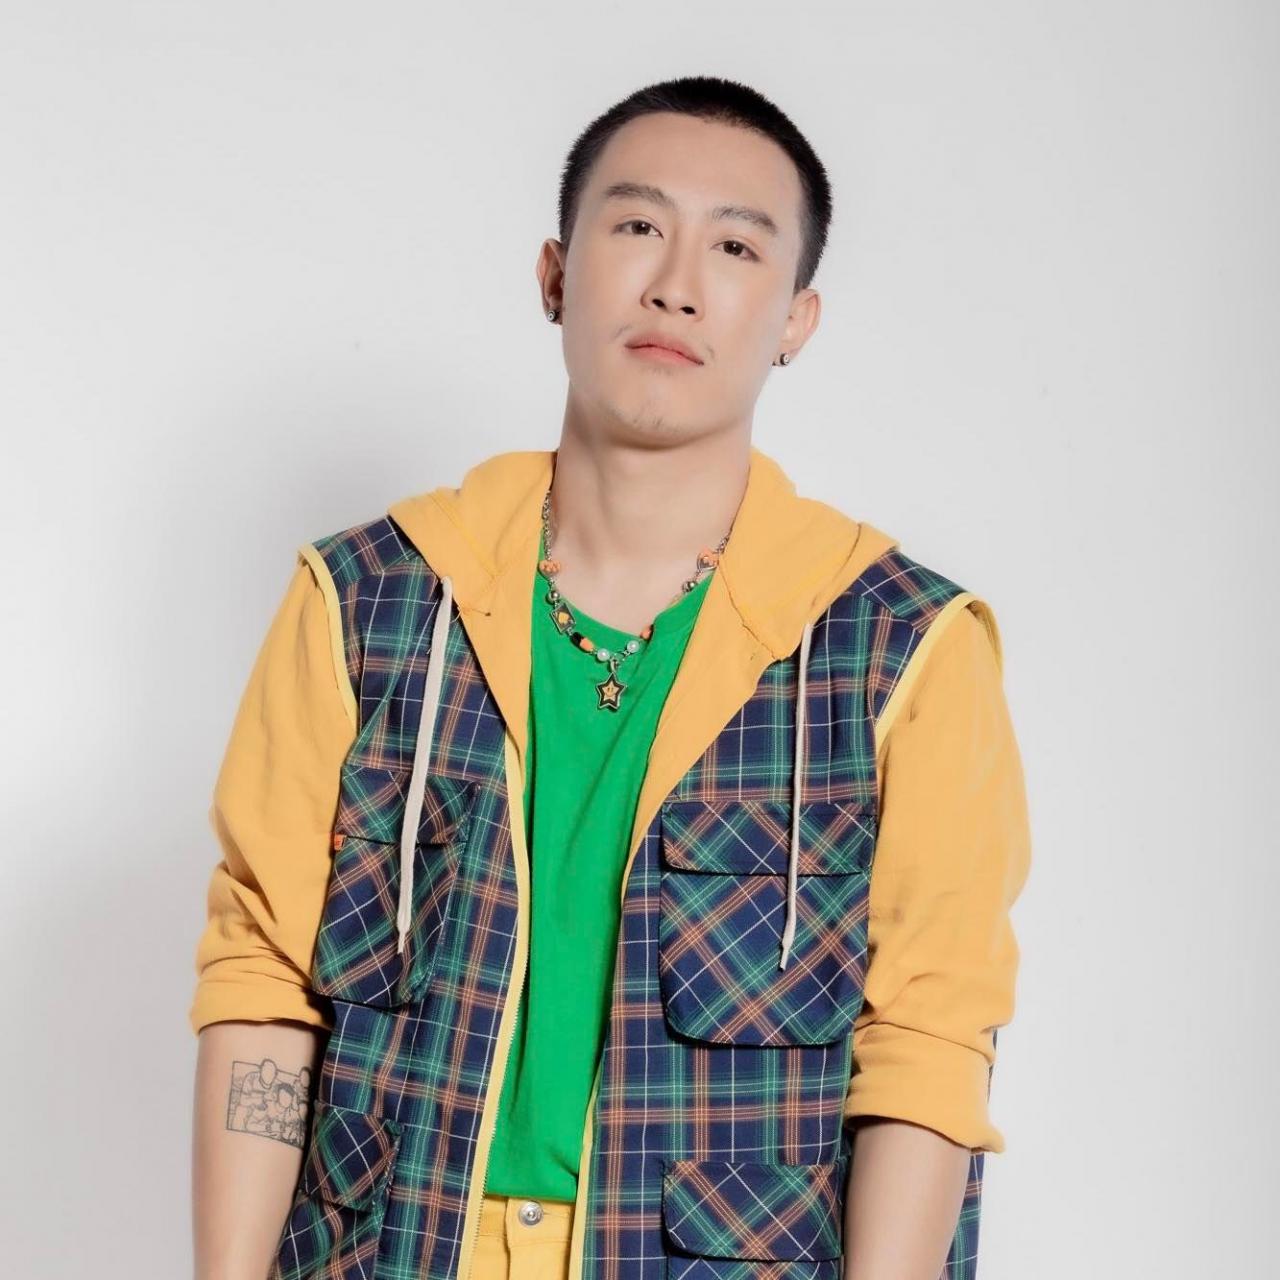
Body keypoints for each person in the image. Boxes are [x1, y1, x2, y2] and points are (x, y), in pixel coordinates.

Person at [190, 74, 1031, 1280]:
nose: (675, 283)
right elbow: (265, 977)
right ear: (554, 274)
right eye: (636, 224)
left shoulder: (900, 646)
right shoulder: (367, 595)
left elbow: (928, 1042)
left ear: (794, 319)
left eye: (734, 247)